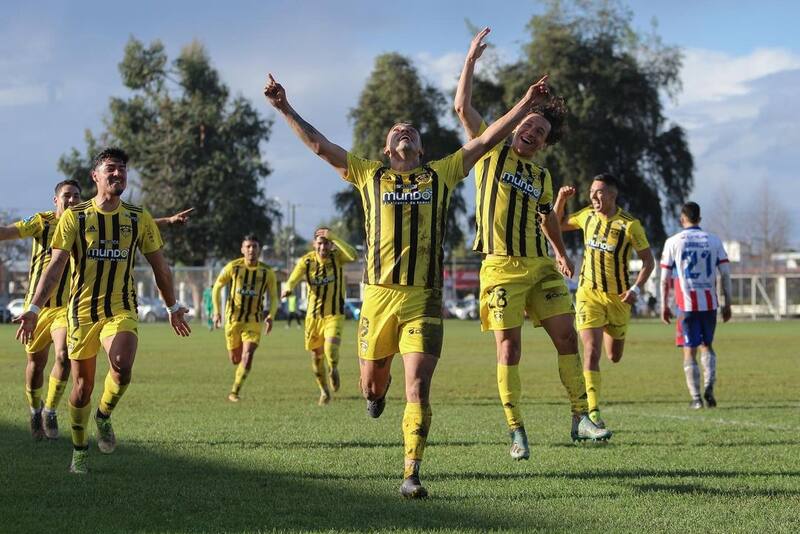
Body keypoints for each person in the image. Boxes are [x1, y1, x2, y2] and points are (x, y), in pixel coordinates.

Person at [265, 67, 552, 498]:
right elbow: (320, 147)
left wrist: (526, 105)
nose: (405, 132)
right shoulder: (368, 175)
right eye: (397, 130)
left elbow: (487, 139)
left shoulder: (441, 174)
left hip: (423, 299)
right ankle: (375, 395)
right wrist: (285, 107)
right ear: (386, 148)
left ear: (420, 148)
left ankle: (411, 472)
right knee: (373, 384)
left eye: (412, 132)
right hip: (378, 299)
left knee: (417, 385)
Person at [454, 27, 611, 459]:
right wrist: (470, 60)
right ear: (516, 126)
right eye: (528, 125)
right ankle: (516, 428)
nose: (533, 133)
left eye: (540, 131)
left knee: (567, 337)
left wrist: (561, 253)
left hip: (540, 266)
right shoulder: (490, 152)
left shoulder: (541, 177)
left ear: (544, 143)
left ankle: (581, 417)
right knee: (510, 346)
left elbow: (547, 218)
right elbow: (462, 107)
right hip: (500, 266)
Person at [14, 147, 191, 474]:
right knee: (81, 388)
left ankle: (104, 416)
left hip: (120, 309)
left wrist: (173, 305)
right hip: (80, 314)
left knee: (122, 366)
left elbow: (161, 268)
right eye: (111, 168)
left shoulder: (138, 218)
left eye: (122, 169)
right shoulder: (75, 217)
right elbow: (55, 267)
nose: (118, 173)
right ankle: (79, 450)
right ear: (95, 176)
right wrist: (34, 307)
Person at [554, 174, 655, 428]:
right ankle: (593, 412)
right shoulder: (587, 215)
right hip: (588, 294)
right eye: (592, 192)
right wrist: (561, 199)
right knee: (590, 351)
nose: (594, 196)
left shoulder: (630, 225)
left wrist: (636, 289)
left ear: (612, 194)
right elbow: (555, 223)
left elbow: (648, 262)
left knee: (614, 355)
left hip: (619, 299)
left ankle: (593, 407)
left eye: (599, 192)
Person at [0, 180, 81, 440]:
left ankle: (50, 410)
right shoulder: (41, 222)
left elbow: (124, 223)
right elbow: (7, 232)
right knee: (36, 364)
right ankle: (35, 410)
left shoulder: (84, 222)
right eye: (67, 196)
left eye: (76, 196)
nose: (72, 200)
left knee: (64, 355)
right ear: (55, 200)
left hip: (64, 308)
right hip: (35, 308)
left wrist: (165, 222)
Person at [659, 202, 731, 409]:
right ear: (699, 219)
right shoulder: (714, 240)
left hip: (686, 305)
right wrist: (728, 304)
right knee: (707, 345)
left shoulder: (673, 241)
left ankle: (696, 398)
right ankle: (709, 387)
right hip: (709, 303)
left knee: (689, 350)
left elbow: (664, 279)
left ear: (682, 219)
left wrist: (664, 305)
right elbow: (725, 275)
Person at [283, 227, 357, 405]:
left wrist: (335, 237)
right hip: (313, 317)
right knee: (316, 358)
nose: (323, 247)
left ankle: (333, 368)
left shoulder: (337, 257)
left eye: (326, 243)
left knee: (330, 350)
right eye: (320, 243)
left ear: (331, 244)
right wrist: (288, 288)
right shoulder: (307, 261)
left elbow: (354, 255)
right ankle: (324, 391)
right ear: (314, 244)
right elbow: (294, 277)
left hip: (334, 314)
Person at [211, 234, 278, 403]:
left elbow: (274, 297)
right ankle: (239, 364)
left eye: (254, 246)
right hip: (233, 319)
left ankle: (234, 392)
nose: (251, 250)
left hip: (254, 320)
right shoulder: (233, 267)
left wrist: (271, 315)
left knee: (248, 355)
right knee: (235, 359)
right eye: (248, 246)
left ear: (259, 249)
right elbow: (217, 287)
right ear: (242, 249)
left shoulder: (267, 272)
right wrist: (217, 311)